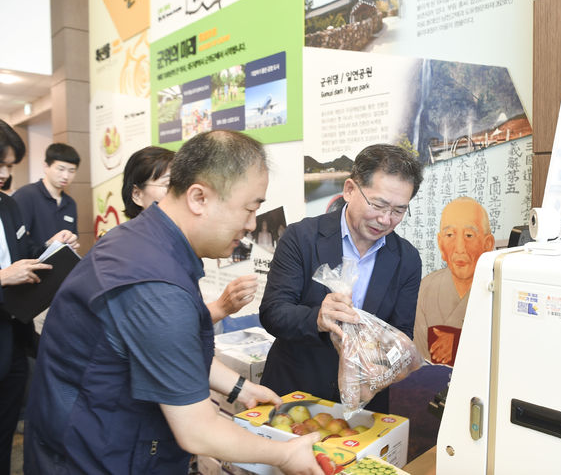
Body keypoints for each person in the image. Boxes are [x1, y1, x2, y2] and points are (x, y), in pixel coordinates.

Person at [24, 131, 323, 475]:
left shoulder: (146, 241)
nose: (252, 224)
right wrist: (284, 454)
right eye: (250, 208)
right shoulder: (154, 284)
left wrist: (242, 387)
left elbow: (168, 351)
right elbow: (197, 431)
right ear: (199, 198)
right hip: (97, 456)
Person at [259, 143, 423, 414]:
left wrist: (383, 365)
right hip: (297, 394)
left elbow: (401, 332)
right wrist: (317, 319)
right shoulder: (302, 238)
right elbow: (273, 313)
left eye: (398, 210)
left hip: (366, 402)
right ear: (349, 190)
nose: (385, 219)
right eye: (378, 204)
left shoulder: (406, 259)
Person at [0, 120, 78, 475]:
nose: (3, 174)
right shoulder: (26, 198)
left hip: (14, 333)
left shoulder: (8, 206)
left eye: (9, 166)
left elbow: (23, 250)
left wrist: (49, 248)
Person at [121, 145, 260, 323]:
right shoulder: (138, 253)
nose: (179, 193)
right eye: (168, 185)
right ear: (137, 194)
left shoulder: (169, 243)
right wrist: (221, 307)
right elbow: (166, 327)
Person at [414, 197, 495, 366]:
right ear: (440, 243)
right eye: (449, 235)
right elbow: (418, 357)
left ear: (488, 244)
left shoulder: (501, 289)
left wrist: (458, 344)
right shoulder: (427, 287)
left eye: (469, 235)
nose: (459, 247)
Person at [13, 143, 81, 249]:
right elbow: (16, 240)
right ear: (46, 166)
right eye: (61, 169)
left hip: (62, 264)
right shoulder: (26, 195)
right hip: (32, 263)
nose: (66, 176)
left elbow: (73, 237)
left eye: (71, 171)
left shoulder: (70, 203)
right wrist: (47, 246)